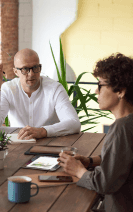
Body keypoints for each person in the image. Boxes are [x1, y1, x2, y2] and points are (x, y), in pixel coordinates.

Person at [58, 53, 133, 212]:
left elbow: (104, 184)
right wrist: (90, 161)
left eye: (100, 85)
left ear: (120, 91)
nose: (95, 91)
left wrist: (78, 170)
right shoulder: (128, 123)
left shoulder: (122, 128)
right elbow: (123, 160)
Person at [0, 48, 80, 139]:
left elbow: (74, 123)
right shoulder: (8, 89)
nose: (31, 74)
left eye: (35, 67)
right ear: (16, 72)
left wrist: (42, 131)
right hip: (18, 144)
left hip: (49, 144)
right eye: (25, 69)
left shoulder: (55, 89)